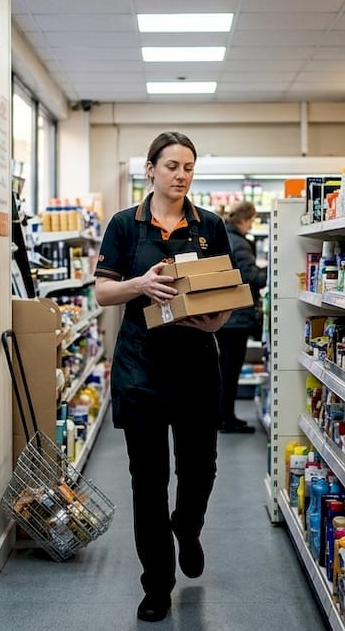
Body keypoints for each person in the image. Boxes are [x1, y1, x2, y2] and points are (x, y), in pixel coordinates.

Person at [94, 131, 233, 623]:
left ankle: (187, 527)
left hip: (196, 365)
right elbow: (103, 293)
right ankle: (157, 584)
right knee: (148, 481)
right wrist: (140, 284)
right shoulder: (124, 225)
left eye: (189, 167)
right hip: (141, 368)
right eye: (172, 166)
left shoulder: (209, 226)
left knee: (200, 470)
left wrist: (215, 321)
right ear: (150, 169)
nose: (181, 175)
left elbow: (224, 292)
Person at [217, 200, 266, 433]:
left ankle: (221, 416)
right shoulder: (240, 244)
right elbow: (252, 278)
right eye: (252, 220)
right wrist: (272, 271)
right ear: (244, 219)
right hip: (237, 316)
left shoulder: (223, 237)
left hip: (223, 313)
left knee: (223, 369)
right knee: (230, 370)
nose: (251, 225)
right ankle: (226, 418)